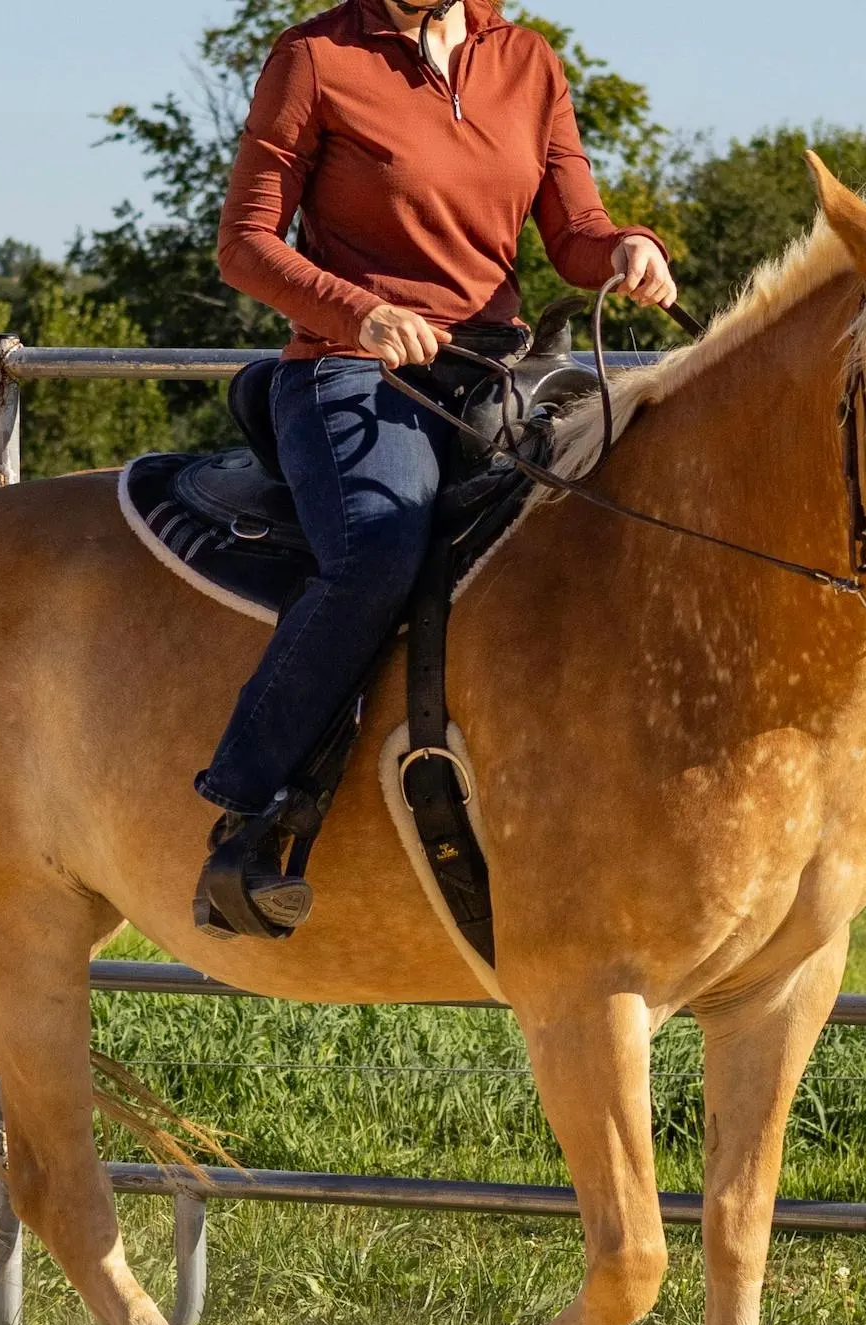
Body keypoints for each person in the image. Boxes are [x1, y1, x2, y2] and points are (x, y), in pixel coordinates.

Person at [195, 0, 677, 937]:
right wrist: (359, 316)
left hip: (495, 364)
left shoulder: (526, 59)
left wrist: (626, 247)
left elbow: (574, 232)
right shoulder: (314, 57)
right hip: (352, 367)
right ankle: (248, 815)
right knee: (378, 548)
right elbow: (244, 245)